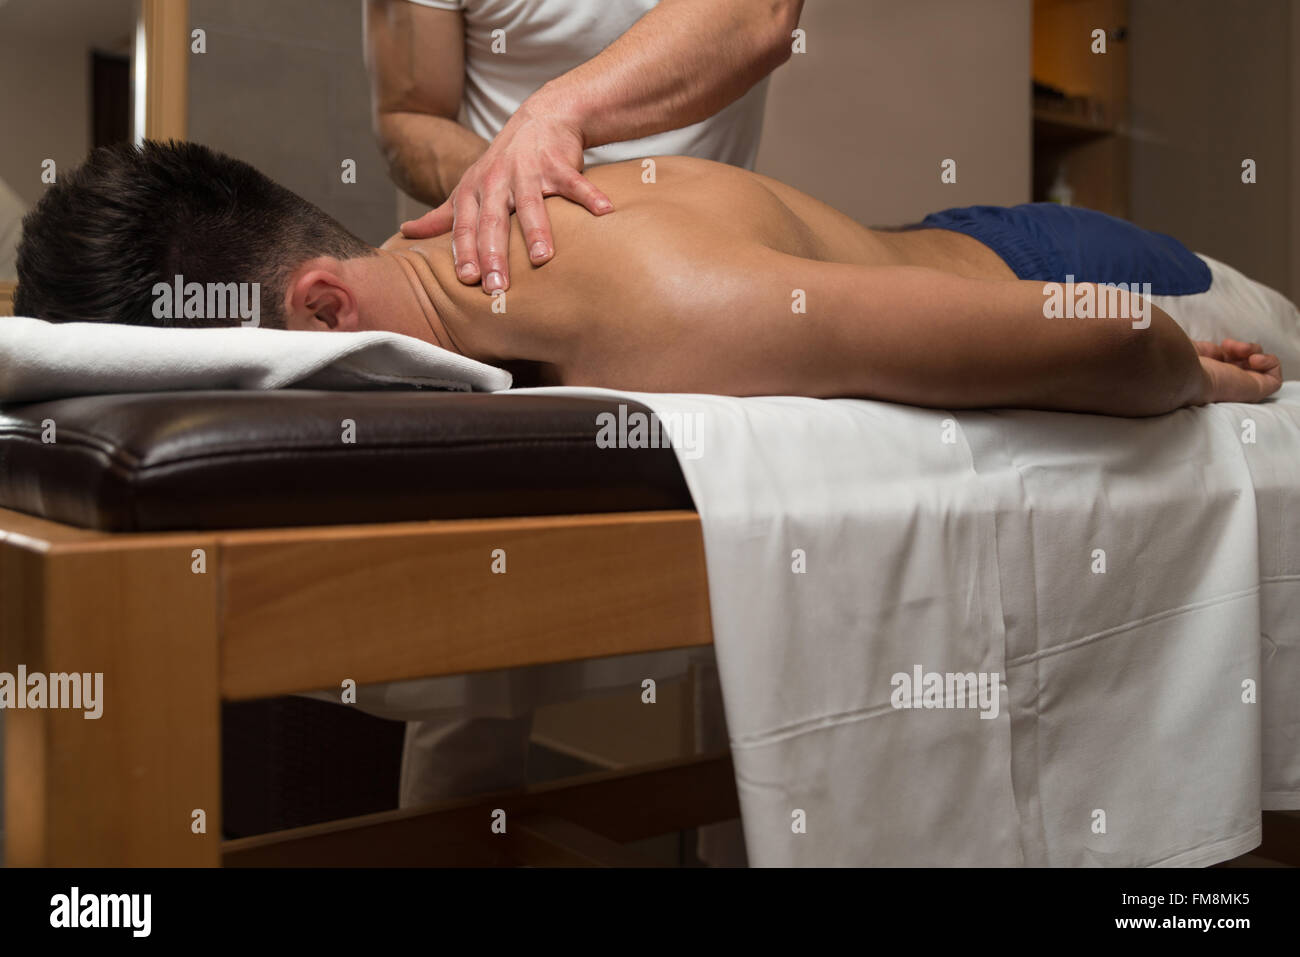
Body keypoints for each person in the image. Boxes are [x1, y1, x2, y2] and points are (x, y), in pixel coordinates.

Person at [14, 142, 1285, 413]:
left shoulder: (657, 316)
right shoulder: (445, 232)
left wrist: (1201, 390)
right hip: (940, 233)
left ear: (323, 307)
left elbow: (1110, 340)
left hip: (1095, 268)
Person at [365, 0, 803, 294]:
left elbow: (761, 14)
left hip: (703, 257)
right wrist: (518, 194)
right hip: (513, 269)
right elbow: (410, 114)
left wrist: (556, 114)